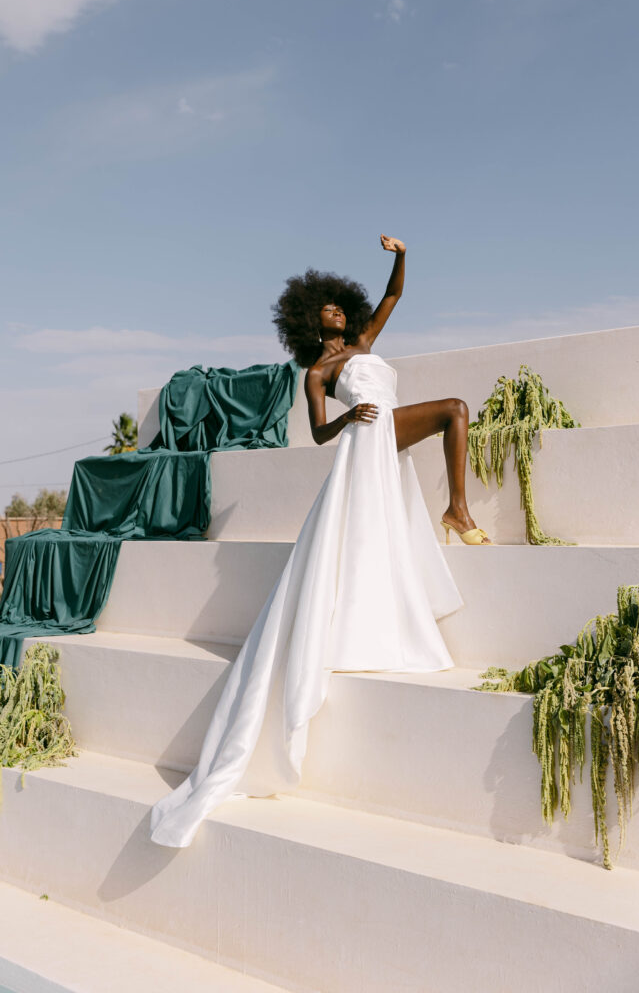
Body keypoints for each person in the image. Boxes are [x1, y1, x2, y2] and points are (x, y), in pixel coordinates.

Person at [150, 234, 486, 849]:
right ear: (310, 322)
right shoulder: (318, 372)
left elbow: (393, 295)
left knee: (455, 408)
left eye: (340, 305)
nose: (337, 310)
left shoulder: (364, 343)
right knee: (352, 549)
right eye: (327, 308)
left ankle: (458, 510)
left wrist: (401, 253)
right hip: (362, 443)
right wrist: (344, 417)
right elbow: (318, 434)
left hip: (387, 435)